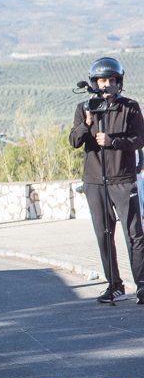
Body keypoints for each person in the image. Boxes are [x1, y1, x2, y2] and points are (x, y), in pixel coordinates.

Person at [70, 57, 144, 303]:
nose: (106, 85)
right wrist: (87, 124)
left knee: (134, 233)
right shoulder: (84, 108)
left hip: (123, 179)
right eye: (102, 80)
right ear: (94, 82)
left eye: (111, 80)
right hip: (94, 181)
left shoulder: (130, 107)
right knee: (103, 233)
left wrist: (113, 142)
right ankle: (114, 285)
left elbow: (139, 140)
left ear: (118, 82)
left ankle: (142, 285)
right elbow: (73, 141)